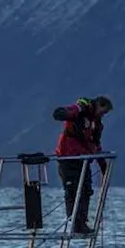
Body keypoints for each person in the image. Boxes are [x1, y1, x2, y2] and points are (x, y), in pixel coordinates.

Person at [52, 95, 113, 234]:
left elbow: (96, 145)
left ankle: (82, 223)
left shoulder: (96, 124)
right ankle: (75, 223)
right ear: (99, 105)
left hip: (83, 160)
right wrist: (67, 113)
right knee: (73, 191)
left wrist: (103, 167)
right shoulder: (80, 110)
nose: (103, 116)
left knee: (86, 190)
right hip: (68, 158)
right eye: (103, 112)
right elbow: (60, 114)